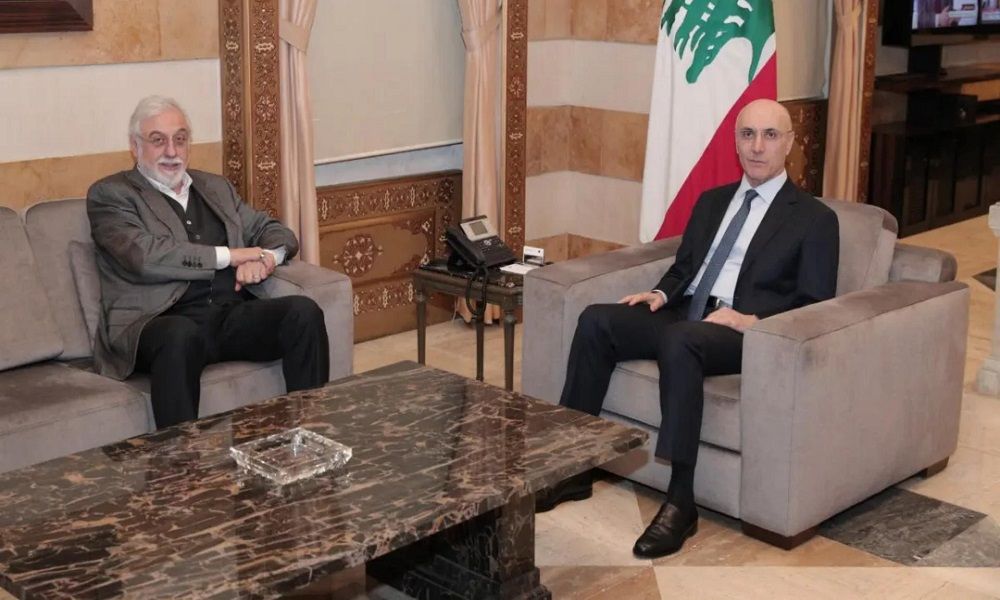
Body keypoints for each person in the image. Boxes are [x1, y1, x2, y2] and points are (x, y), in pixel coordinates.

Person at [537, 99, 840, 558]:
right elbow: (685, 268)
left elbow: (815, 304)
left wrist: (749, 320)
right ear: (735, 142)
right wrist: (660, 294)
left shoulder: (814, 219)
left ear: (790, 143)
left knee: (681, 340)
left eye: (770, 135)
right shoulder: (713, 201)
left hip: (746, 331)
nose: (758, 147)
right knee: (597, 320)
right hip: (686, 313)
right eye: (748, 135)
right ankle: (574, 468)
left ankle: (681, 501)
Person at [87, 95, 329, 429]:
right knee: (180, 335)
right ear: (135, 146)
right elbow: (144, 256)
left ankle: (308, 434)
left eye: (180, 139)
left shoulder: (215, 187)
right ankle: (179, 458)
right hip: (155, 323)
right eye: (158, 140)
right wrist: (230, 256)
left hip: (226, 316)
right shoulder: (112, 195)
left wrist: (266, 259)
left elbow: (273, 231)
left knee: (303, 313)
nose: (171, 151)